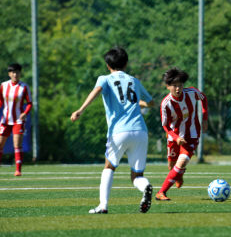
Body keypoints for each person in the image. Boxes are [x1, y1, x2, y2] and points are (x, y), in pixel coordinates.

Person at [71, 47, 154, 213]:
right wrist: (139, 104)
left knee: (109, 167)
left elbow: (96, 91)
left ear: (108, 65)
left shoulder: (105, 78)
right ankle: (146, 187)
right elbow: (150, 102)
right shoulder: (135, 81)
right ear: (126, 63)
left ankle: (103, 206)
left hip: (119, 132)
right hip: (140, 131)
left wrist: (81, 109)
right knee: (137, 175)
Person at [155, 68, 208, 201]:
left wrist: (205, 118)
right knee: (172, 166)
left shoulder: (192, 92)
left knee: (182, 160)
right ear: (168, 86)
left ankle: (161, 192)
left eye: (180, 85)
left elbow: (204, 98)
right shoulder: (165, 104)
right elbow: (165, 125)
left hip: (192, 133)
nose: (178, 89)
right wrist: (176, 137)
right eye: (174, 86)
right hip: (174, 136)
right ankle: (179, 174)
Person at [0, 63, 32, 176]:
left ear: (20, 73)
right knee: (0, 144)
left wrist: (25, 113)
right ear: (9, 74)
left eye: (17, 72)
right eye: (13, 72)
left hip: (18, 120)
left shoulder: (24, 87)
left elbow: (29, 103)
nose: (15, 74)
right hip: (5, 120)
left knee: (17, 144)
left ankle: (18, 170)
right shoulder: (3, 86)